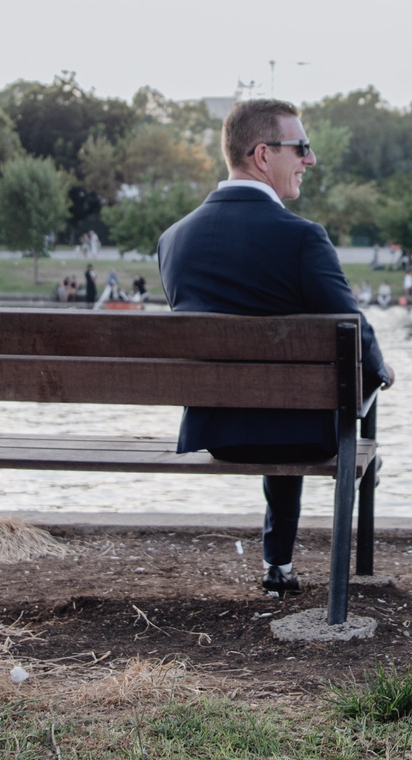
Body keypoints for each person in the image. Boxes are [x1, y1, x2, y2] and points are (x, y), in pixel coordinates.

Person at [159, 98, 392, 597]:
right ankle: (291, 561)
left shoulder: (173, 240)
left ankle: (278, 563)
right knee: (330, 396)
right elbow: (352, 329)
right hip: (300, 433)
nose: (310, 160)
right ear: (263, 155)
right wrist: (380, 371)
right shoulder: (302, 238)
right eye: (301, 148)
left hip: (217, 429)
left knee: (284, 398)